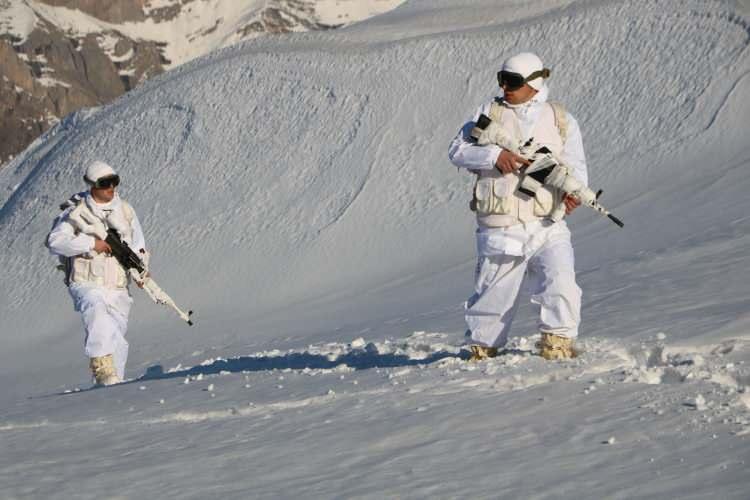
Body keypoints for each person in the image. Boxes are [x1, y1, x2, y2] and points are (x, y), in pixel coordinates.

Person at [448, 52, 588, 361]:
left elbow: (575, 166)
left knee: (561, 280)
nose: (504, 87)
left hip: (548, 222)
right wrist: (494, 158)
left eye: (512, 81)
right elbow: (457, 150)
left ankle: (558, 345)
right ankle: (483, 350)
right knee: (494, 294)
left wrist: (573, 194)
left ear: (534, 83)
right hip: (502, 222)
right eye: (501, 79)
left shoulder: (560, 119)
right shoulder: (490, 113)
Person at [47, 161, 146, 385]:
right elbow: (56, 241)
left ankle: (112, 388)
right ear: (92, 185)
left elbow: (139, 244)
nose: (111, 187)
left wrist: (142, 272)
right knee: (95, 309)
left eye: (114, 181)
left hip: (118, 285)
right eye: (104, 183)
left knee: (117, 338)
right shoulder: (77, 211)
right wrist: (91, 243)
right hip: (86, 281)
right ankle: (101, 365)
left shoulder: (126, 211)